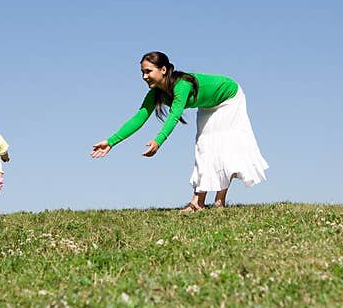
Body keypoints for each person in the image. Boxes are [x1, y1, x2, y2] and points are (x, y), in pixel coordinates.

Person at [91, 51, 268, 212]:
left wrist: (158, 140)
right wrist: (111, 142)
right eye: (142, 73)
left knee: (220, 146)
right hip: (209, 105)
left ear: (163, 69)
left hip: (229, 97)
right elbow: (139, 118)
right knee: (204, 147)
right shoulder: (156, 93)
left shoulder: (181, 85)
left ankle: (216, 202)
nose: (144, 77)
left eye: (148, 71)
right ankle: (199, 202)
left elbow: (174, 115)